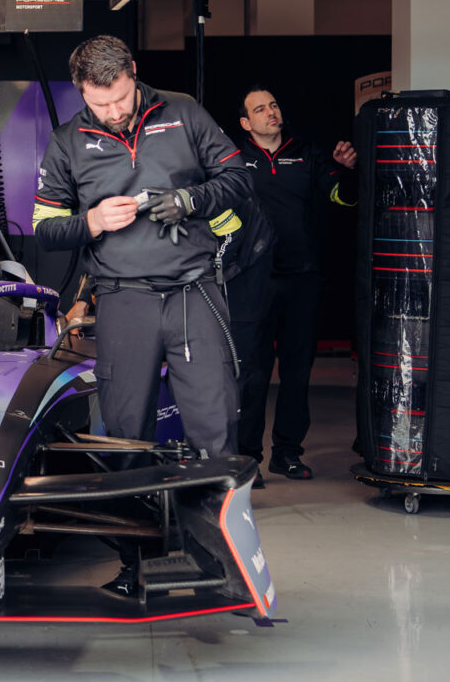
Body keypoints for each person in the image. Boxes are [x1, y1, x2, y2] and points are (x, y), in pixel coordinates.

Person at [31, 35, 252, 464]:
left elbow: (238, 178)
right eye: (100, 104)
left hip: (194, 291)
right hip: (122, 297)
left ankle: (216, 500)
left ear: (133, 72)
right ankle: (131, 505)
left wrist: (190, 199)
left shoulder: (183, 111)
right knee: (125, 427)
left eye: (121, 98)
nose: (114, 112)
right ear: (80, 90)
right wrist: (93, 221)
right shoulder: (67, 141)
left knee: (215, 418)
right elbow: (45, 230)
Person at [229, 86, 358, 481]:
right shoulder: (233, 160)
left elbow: (342, 198)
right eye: (260, 109)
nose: (271, 112)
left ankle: (286, 454)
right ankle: (246, 458)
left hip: (302, 277)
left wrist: (348, 172)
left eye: (273, 105)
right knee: (252, 373)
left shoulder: (307, 152)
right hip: (253, 281)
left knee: (297, 372)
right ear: (245, 123)